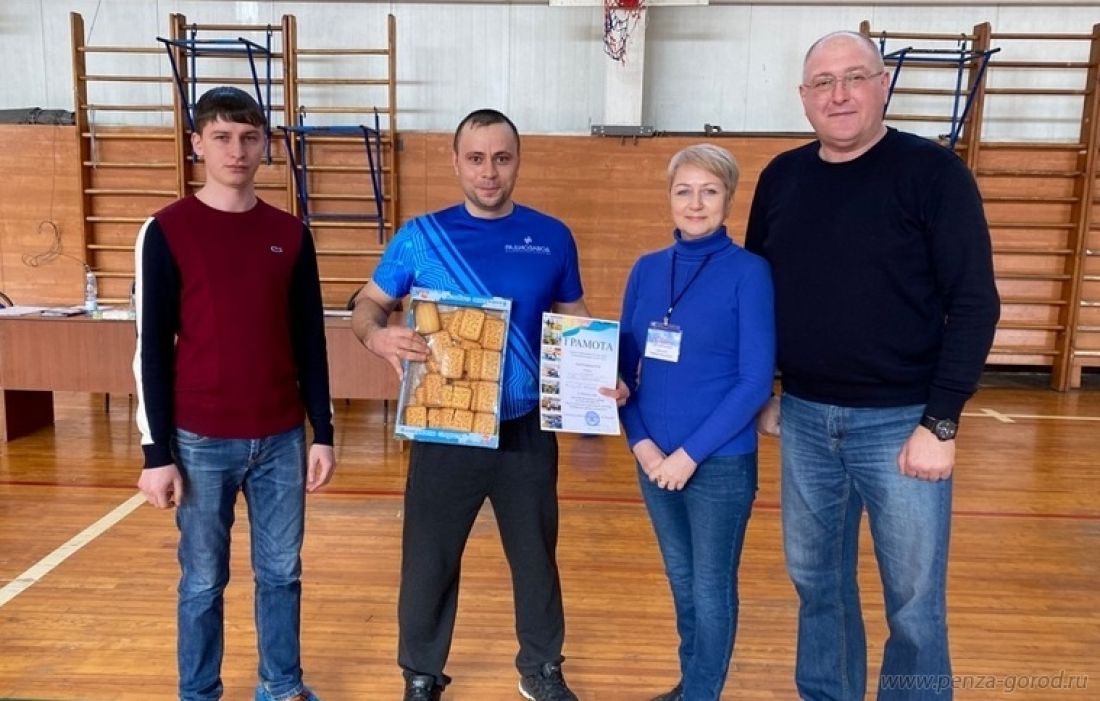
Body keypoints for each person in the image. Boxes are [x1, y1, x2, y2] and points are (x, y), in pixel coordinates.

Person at [745, 31, 1000, 700]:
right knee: (817, 585)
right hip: (804, 420)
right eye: (823, 82)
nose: (839, 94)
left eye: (854, 77)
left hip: (903, 422)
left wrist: (940, 422)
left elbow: (976, 302)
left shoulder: (934, 175)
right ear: (803, 97)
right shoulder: (781, 178)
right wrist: (767, 387)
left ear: (883, 85)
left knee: (913, 601)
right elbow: (755, 295)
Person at [352, 108, 624, 701]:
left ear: (518, 161)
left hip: (525, 427)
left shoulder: (552, 236)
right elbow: (367, 305)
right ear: (455, 162)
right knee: (429, 558)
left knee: (535, 557)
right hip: (443, 426)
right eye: (476, 158)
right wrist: (378, 336)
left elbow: (575, 319)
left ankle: (542, 669)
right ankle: (421, 674)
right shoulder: (420, 237)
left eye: (501, 158)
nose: (489, 172)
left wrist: (604, 374)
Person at [134, 86, 336, 701]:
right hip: (199, 441)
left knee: (282, 573)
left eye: (249, 137)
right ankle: (199, 692)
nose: (236, 150)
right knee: (202, 581)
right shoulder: (166, 231)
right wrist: (155, 453)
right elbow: (151, 347)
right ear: (197, 143)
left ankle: (281, 685)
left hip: (281, 438)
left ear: (265, 145)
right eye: (221, 137)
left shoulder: (290, 234)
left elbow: (310, 339)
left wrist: (323, 431)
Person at [618, 144, 775, 701]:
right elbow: (621, 372)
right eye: (684, 190)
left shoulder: (750, 273)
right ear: (669, 197)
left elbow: (754, 381)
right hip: (654, 461)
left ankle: (701, 693)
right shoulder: (646, 269)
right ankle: (692, 684)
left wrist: (687, 457)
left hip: (718, 463)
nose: (696, 203)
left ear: (729, 200)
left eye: (709, 191)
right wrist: (642, 445)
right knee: (682, 582)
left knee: (710, 588)